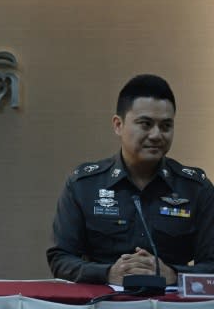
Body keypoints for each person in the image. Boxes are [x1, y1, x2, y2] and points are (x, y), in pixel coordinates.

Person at [47, 74, 214, 285]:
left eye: (165, 126)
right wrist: (108, 273)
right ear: (118, 125)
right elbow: (60, 259)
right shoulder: (84, 185)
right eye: (145, 124)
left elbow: (211, 265)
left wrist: (174, 275)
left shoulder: (196, 189)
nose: (156, 135)